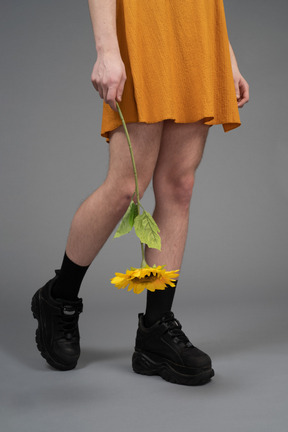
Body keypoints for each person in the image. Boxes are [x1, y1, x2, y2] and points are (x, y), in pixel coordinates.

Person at [31, 0, 249, 386]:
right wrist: (107, 49)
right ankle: (59, 299)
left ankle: (155, 330)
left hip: (198, 29)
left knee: (179, 185)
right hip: (142, 25)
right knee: (127, 185)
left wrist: (226, 53)